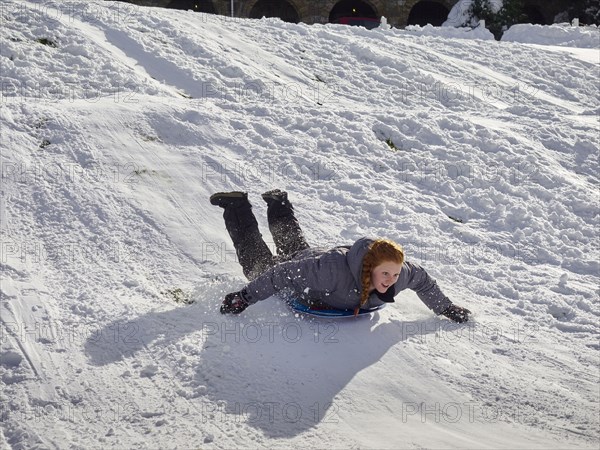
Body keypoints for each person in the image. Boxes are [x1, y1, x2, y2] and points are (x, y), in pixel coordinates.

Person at [210, 189, 471, 322]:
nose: (391, 279)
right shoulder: (332, 272)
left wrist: (446, 308)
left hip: (319, 259)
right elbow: (283, 274)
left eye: (394, 273)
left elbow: (422, 280)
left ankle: (278, 202)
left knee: (293, 244)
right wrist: (244, 297)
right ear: (369, 267)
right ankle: (236, 205)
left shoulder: (398, 275)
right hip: (316, 263)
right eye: (385, 273)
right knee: (259, 264)